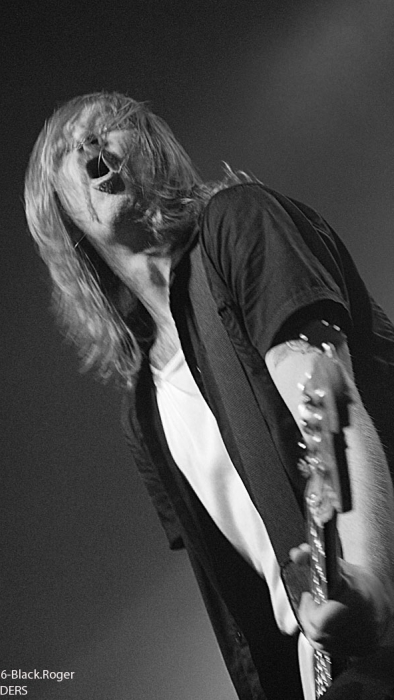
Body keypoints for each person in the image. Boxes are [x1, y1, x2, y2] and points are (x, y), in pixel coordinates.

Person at [24, 91, 394, 699]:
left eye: (111, 125)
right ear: (59, 211)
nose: (90, 142)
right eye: (68, 146)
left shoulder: (239, 223)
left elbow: (333, 404)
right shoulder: (143, 413)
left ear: (155, 151)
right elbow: (241, 593)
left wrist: (373, 584)